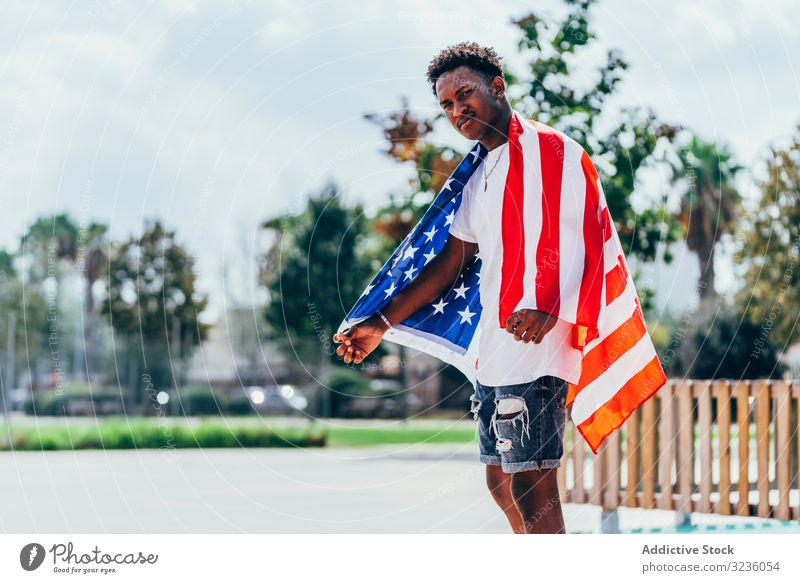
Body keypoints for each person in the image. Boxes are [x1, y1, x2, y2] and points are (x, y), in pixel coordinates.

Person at [333, 42, 581, 534]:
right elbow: (450, 262)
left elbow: (581, 234)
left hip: (535, 346)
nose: (456, 109)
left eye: (464, 93)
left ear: (497, 86)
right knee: (499, 482)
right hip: (495, 348)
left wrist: (549, 303)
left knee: (533, 489)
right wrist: (380, 323)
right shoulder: (480, 173)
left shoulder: (547, 150)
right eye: (445, 104)